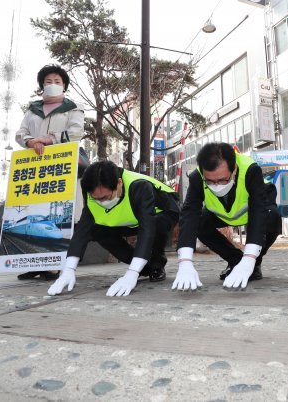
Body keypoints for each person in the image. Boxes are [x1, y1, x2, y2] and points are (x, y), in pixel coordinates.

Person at [47, 160, 180, 296]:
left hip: (160, 213)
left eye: (105, 197)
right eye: (96, 199)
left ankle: (156, 266)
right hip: (127, 219)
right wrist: (68, 269)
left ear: (119, 183)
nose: (101, 202)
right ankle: (144, 268)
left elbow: (147, 230)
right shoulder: (89, 189)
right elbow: (83, 229)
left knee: (157, 225)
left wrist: (131, 274)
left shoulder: (139, 186)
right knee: (95, 229)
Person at [172, 142, 281, 290]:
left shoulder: (250, 170)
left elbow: (258, 212)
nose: (216, 185)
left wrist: (249, 259)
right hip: (220, 214)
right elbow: (189, 214)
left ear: (234, 169)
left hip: (253, 211)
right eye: (209, 181)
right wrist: (185, 262)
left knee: (272, 217)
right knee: (199, 223)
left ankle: (254, 264)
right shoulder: (197, 177)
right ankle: (236, 260)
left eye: (222, 180)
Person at [14, 64, 85, 280]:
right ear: (41, 86)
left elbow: (76, 132)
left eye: (57, 81)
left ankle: (56, 265)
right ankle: (34, 263)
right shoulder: (32, 109)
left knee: (60, 215)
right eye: (48, 81)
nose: (52, 85)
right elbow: (20, 133)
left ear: (64, 86)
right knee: (35, 213)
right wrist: (30, 141)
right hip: (37, 171)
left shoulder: (73, 107)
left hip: (62, 168)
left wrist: (49, 139)